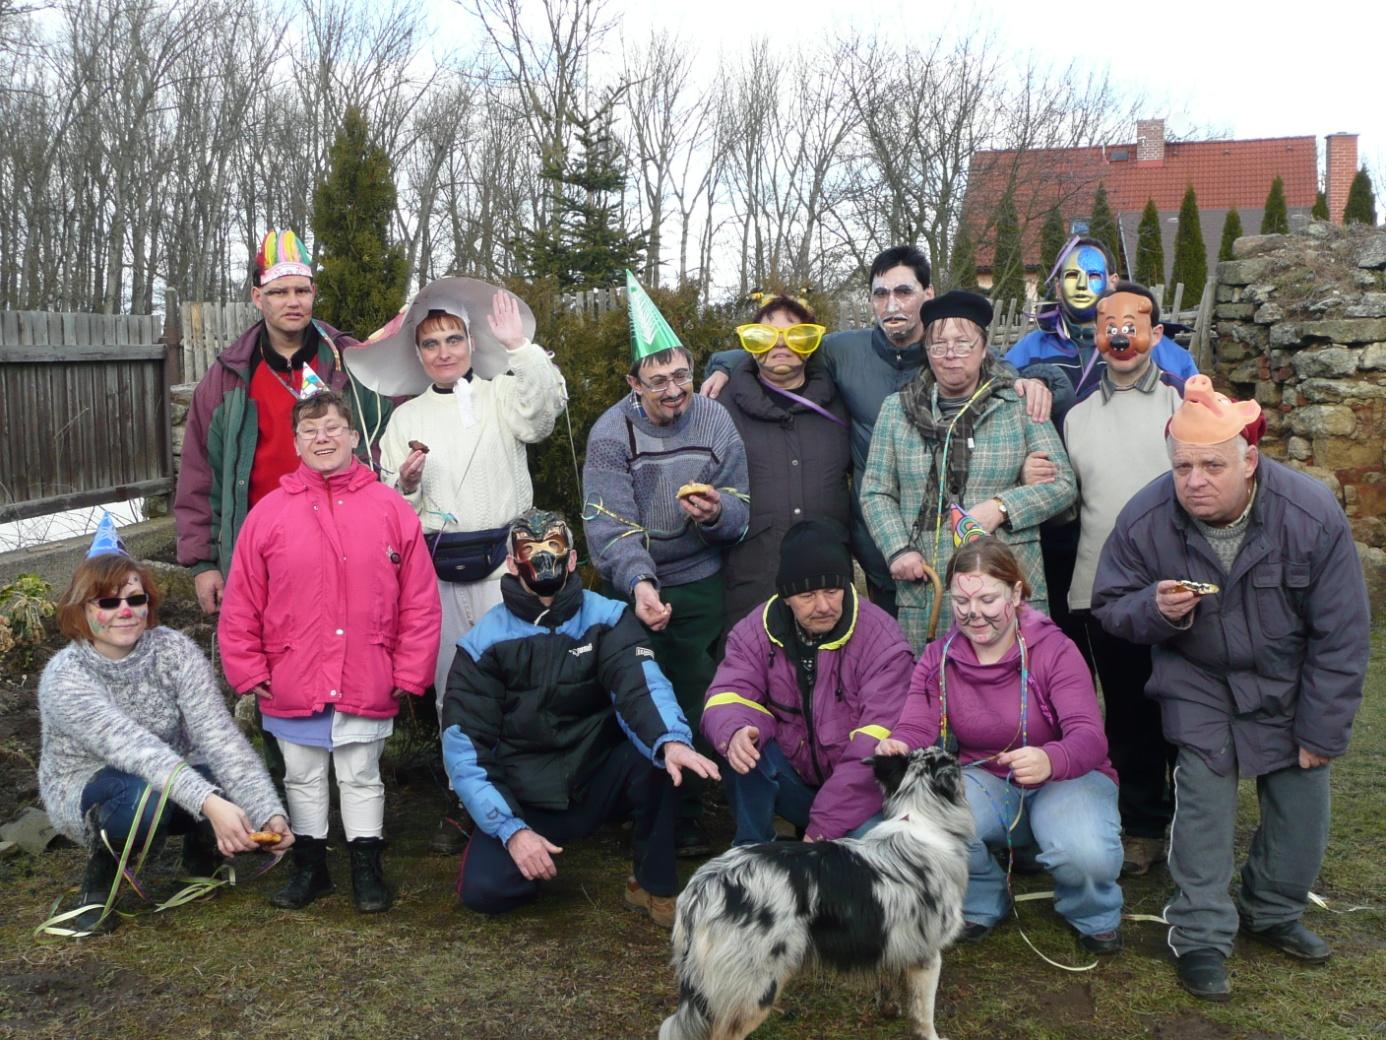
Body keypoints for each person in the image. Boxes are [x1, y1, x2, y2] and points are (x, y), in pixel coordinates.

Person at [1091, 377, 1370, 1000]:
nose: (1195, 481)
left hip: (1289, 679)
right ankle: (1199, 937)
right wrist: (1154, 609)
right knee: (1204, 810)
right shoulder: (1145, 516)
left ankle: (1271, 911)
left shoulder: (1308, 512)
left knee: (1302, 810)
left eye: (1213, 466)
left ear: (1250, 460)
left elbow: (1342, 632)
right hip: (1198, 680)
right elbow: (1110, 606)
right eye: (1183, 466)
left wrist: (1323, 729)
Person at [700, 247, 1057, 617]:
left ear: (927, 294)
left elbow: (1007, 372)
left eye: (903, 292)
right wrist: (725, 366)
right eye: (880, 294)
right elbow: (782, 349)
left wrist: (1035, 382)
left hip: (969, 542)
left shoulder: (950, 352)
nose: (892, 305)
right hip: (880, 545)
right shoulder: (844, 352)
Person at [348, 277, 567, 855]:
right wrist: (408, 483)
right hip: (438, 570)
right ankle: (463, 797)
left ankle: (524, 790)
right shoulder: (404, 420)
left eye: (453, 339)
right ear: (417, 355)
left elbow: (542, 417)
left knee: (519, 678)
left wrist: (521, 349)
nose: (443, 351)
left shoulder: (500, 394)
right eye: (431, 343)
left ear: (470, 343)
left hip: (505, 566)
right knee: (453, 688)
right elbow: (393, 504)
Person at [218, 390, 441, 913]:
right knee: (301, 772)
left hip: (368, 664)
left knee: (361, 773)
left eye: (333, 428)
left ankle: (367, 866)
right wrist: (248, 669)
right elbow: (242, 599)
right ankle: (310, 868)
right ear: (296, 442)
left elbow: (419, 597)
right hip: (293, 669)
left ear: (353, 436)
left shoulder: (389, 507)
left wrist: (410, 670)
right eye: (310, 431)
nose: (323, 439)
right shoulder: (269, 513)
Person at [441, 509, 720, 926]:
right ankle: (533, 853)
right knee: (485, 892)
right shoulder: (482, 644)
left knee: (663, 758)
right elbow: (466, 749)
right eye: (529, 551)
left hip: (595, 777)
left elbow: (640, 685)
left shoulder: (609, 618)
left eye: (553, 548)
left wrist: (672, 740)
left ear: (572, 559)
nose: (542, 560)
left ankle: (653, 884)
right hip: (525, 794)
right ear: (512, 562)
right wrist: (512, 832)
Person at [37, 515, 291, 935]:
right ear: (82, 610)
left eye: (135, 600)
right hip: (91, 788)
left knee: (228, 782)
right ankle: (99, 885)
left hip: (170, 774)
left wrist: (267, 812)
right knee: (142, 796)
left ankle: (200, 861)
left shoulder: (173, 651)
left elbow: (219, 737)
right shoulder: (66, 676)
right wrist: (212, 805)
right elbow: (136, 750)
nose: (125, 612)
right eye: (107, 602)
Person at [877, 536, 1123, 955]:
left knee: (1085, 853)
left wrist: (1051, 758)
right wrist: (900, 743)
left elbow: (1089, 736)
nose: (974, 613)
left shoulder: (1055, 650)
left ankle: (1091, 912)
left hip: (1068, 779)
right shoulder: (940, 656)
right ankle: (984, 897)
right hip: (989, 779)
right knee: (921, 814)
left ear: (1017, 592)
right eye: (961, 601)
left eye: (988, 599)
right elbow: (921, 719)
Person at [582, 271, 750, 855]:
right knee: (648, 697)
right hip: (643, 588)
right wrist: (640, 583)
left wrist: (715, 512)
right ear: (633, 384)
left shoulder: (714, 419)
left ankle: (714, 807)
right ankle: (660, 818)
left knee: (705, 693)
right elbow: (608, 524)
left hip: (704, 581)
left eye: (681, 375)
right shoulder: (610, 433)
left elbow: (742, 504)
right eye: (658, 382)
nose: (675, 390)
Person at [1005, 237, 1199, 673]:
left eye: (1093, 275)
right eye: (1070, 275)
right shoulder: (1030, 349)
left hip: (1152, 540)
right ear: (1056, 285)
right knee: (1077, 652)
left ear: (1112, 280)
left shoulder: (1169, 359)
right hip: (1061, 525)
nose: (1081, 285)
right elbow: (995, 403)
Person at [174, 229, 393, 616]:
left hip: (348, 550)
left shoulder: (351, 363)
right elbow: (199, 475)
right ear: (258, 297)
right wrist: (203, 563)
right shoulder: (229, 377)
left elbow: (391, 436)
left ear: (313, 293)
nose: (292, 302)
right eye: (279, 292)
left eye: (302, 291)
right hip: (264, 553)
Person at [860, 291, 1076, 651]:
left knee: (1012, 693)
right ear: (926, 350)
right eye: (938, 343)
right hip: (930, 588)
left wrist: (1001, 507)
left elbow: (1064, 484)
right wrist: (898, 550)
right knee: (936, 692)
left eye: (963, 342)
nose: (950, 354)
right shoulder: (896, 411)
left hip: (1006, 581)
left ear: (983, 347)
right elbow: (876, 491)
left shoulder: (1017, 403)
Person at [1064, 283, 1185, 877]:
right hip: (1102, 591)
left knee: (1186, 710)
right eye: (1107, 323)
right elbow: (1068, 501)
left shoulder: (1184, 410)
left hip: (1177, 591)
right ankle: (1139, 825)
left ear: (1157, 334)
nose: (1119, 334)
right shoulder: (1075, 418)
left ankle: (1190, 826)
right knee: (1128, 714)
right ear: (1094, 335)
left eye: (1133, 323)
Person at [701, 519, 914, 844]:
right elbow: (725, 696)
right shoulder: (754, 631)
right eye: (808, 595)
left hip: (862, 793)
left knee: (870, 851)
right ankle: (753, 857)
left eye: (832, 590)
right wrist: (735, 730)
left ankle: (815, 842)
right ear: (786, 596)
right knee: (743, 747)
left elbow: (875, 748)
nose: (824, 606)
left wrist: (822, 826)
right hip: (793, 779)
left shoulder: (881, 639)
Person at [713, 296, 850, 624]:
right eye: (765, 336)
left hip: (827, 581)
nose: (781, 344)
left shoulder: (840, 401)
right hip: (754, 579)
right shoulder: (722, 406)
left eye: (795, 334)